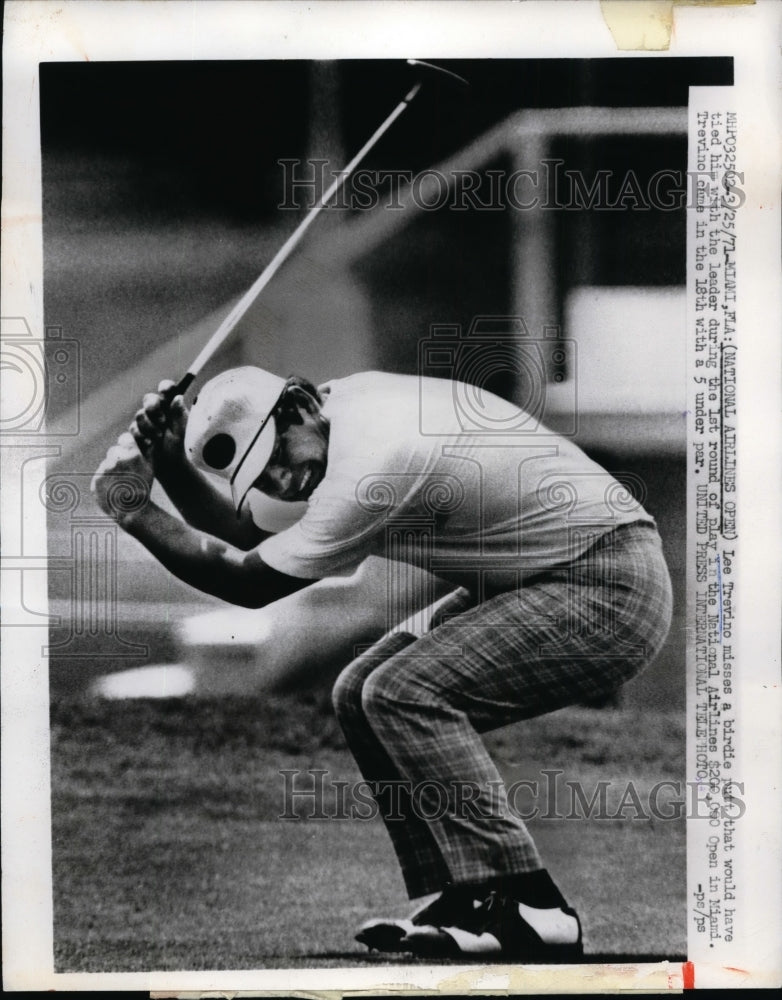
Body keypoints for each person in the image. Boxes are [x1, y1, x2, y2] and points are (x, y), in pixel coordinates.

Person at [92, 365, 673, 961]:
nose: (284, 480)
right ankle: (473, 893)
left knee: (402, 692)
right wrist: (167, 464)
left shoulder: (373, 463)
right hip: (545, 578)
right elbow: (243, 531)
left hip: (608, 589)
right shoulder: (334, 417)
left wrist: (136, 510)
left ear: (295, 407)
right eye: (261, 476)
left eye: (277, 456)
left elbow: (244, 580)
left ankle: (533, 904)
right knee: (359, 692)